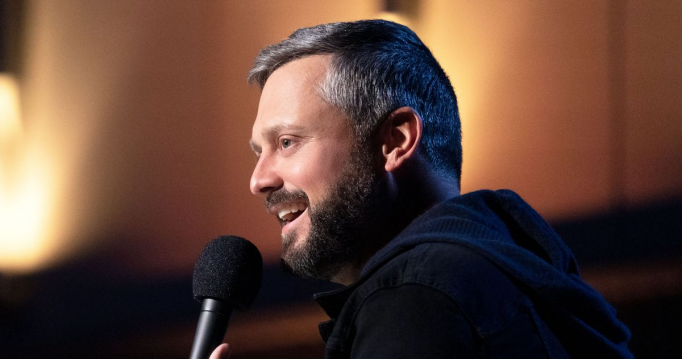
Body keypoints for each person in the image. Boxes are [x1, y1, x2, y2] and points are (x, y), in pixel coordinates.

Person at [212, 19, 632, 358]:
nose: (259, 180)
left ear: (395, 141)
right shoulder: (498, 281)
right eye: (258, 151)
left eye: (287, 142)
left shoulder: (416, 297)